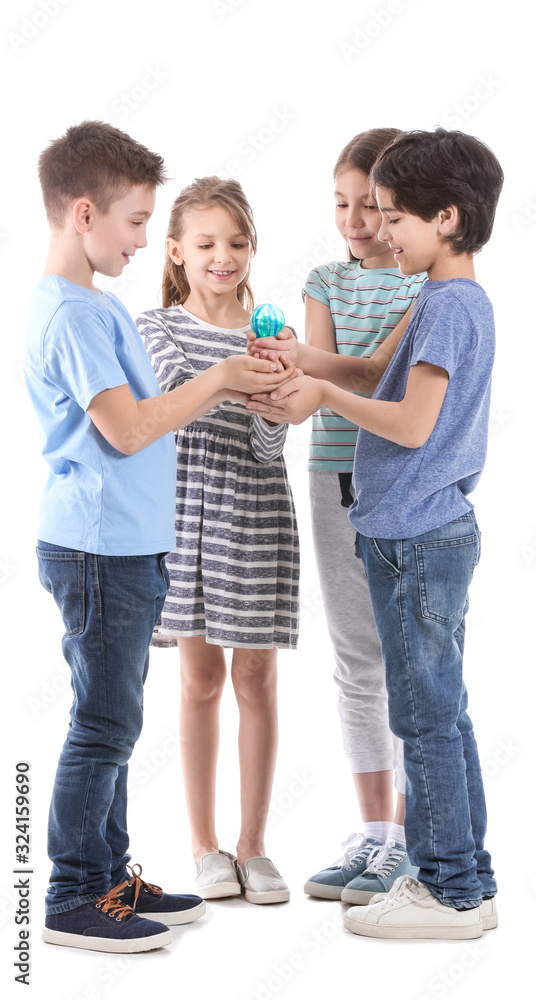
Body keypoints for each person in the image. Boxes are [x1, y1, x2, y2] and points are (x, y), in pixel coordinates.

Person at [24, 122, 296, 953]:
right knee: (103, 725)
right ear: (83, 214)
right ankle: (72, 896)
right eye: (138, 222)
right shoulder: (72, 316)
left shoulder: (94, 308)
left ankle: (108, 876)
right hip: (98, 546)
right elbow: (132, 429)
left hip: (131, 547)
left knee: (116, 719)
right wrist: (221, 376)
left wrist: (259, 386)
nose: (145, 241)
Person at [246, 127, 503, 939]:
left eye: (395, 217)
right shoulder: (439, 299)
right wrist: (305, 362)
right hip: (420, 530)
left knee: (424, 718)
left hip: (417, 536)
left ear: (448, 218)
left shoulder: (450, 308)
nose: (380, 231)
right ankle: (470, 878)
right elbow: (369, 375)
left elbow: (411, 421)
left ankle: (448, 893)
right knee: (442, 713)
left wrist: (322, 403)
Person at [250, 130, 425, 905]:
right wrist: (280, 364)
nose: (356, 221)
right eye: (343, 203)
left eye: (372, 206)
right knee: (357, 659)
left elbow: (369, 373)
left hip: (402, 479)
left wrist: (303, 364)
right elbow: (325, 366)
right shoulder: (325, 279)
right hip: (333, 479)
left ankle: (417, 836)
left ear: (400, 207)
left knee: (412, 660)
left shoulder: (426, 287)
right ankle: (377, 836)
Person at [136, 176, 299, 905]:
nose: (222, 257)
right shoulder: (155, 326)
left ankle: (254, 845)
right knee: (200, 681)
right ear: (176, 251)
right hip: (183, 517)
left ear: (252, 248)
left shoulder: (272, 332)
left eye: (236, 243)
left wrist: (275, 384)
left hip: (255, 512)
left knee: (256, 680)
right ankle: (204, 845)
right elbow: (174, 412)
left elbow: (269, 444)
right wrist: (245, 374)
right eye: (205, 244)